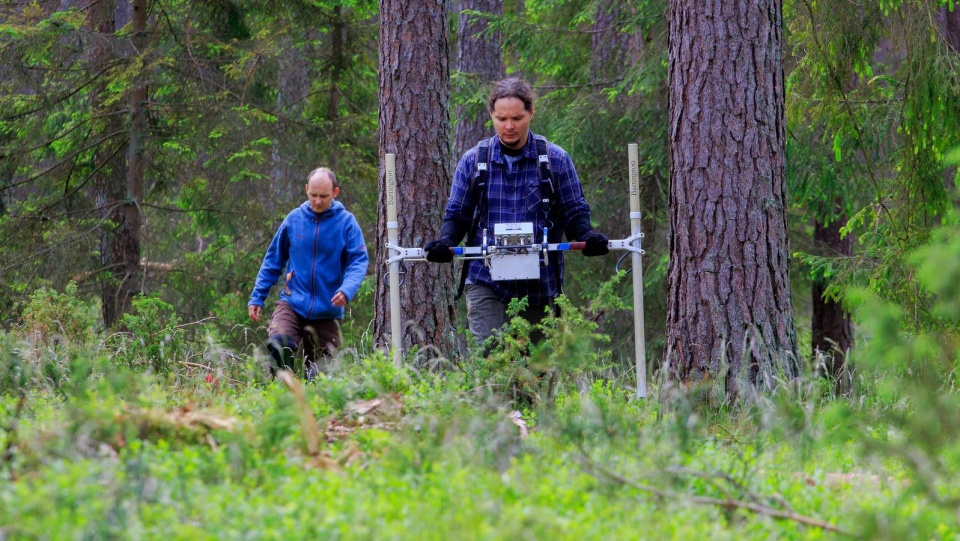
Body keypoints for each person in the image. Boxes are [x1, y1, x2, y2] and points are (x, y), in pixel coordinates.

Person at [424, 78, 608, 345]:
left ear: (531, 113)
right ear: (492, 116)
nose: (509, 126)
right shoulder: (473, 161)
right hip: (486, 281)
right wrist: (445, 242)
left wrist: (588, 236)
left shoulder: (556, 160)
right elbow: (457, 214)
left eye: (517, 118)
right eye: (501, 118)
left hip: (540, 283)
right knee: (487, 358)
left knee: (534, 373)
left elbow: (574, 212)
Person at [249, 167, 368, 378]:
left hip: (328, 310)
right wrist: (257, 296)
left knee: (317, 376)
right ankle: (281, 396)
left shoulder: (346, 223)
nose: (318, 201)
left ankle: (310, 407)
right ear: (306, 190)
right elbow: (273, 260)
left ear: (335, 193)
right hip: (292, 302)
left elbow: (358, 261)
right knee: (279, 345)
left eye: (323, 196)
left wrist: (347, 289)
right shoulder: (294, 220)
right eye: (313, 195)